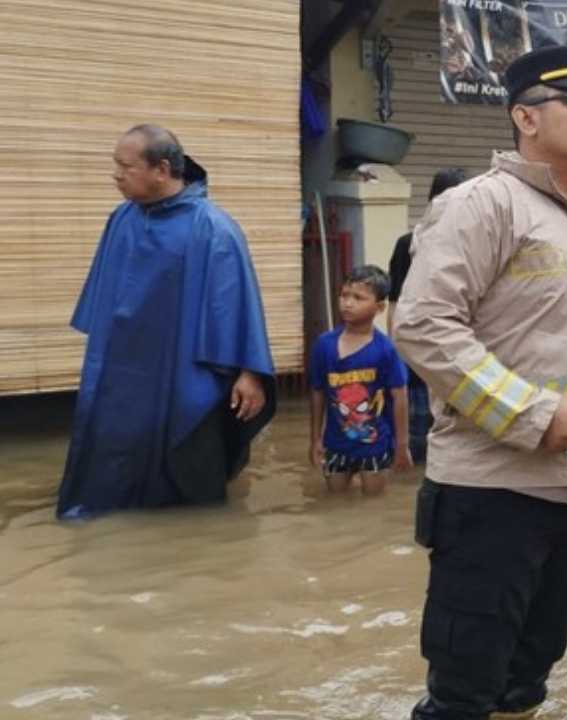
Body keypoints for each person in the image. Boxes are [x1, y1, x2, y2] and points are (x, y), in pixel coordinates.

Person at [392, 46, 567, 720]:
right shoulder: (481, 204)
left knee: (531, 675)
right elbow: (422, 326)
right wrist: (533, 413)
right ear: (526, 117)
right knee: (462, 691)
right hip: (491, 492)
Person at [57, 124, 274, 521]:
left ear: (161, 170)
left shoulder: (213, 228)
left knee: (190, 479)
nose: (116, 176)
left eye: (126, 167)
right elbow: (106, 300)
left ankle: (193, 540)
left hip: (186, 372)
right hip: (125, 375)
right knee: (113, 471)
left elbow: (238, 303)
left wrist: (250, 373)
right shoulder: (121, 220)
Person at [310, 266, 412, 495]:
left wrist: (402, 446)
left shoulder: (385, 350)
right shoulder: (324, 345)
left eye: (358, 298)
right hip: (335, 444)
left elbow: (400, 396)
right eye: (344, 295)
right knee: (335, 502)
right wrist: (315, 439)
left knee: (373, 504)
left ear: (380, 307)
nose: (347, 303)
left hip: (375, 445)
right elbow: (317, 392)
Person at [388, 168, 467, 464]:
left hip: (459, 348)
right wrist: (398, 349)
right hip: (420, 346)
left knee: (454, 424)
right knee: (418, 424)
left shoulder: (472, 245)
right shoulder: (409, 244)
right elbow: (396, 302)